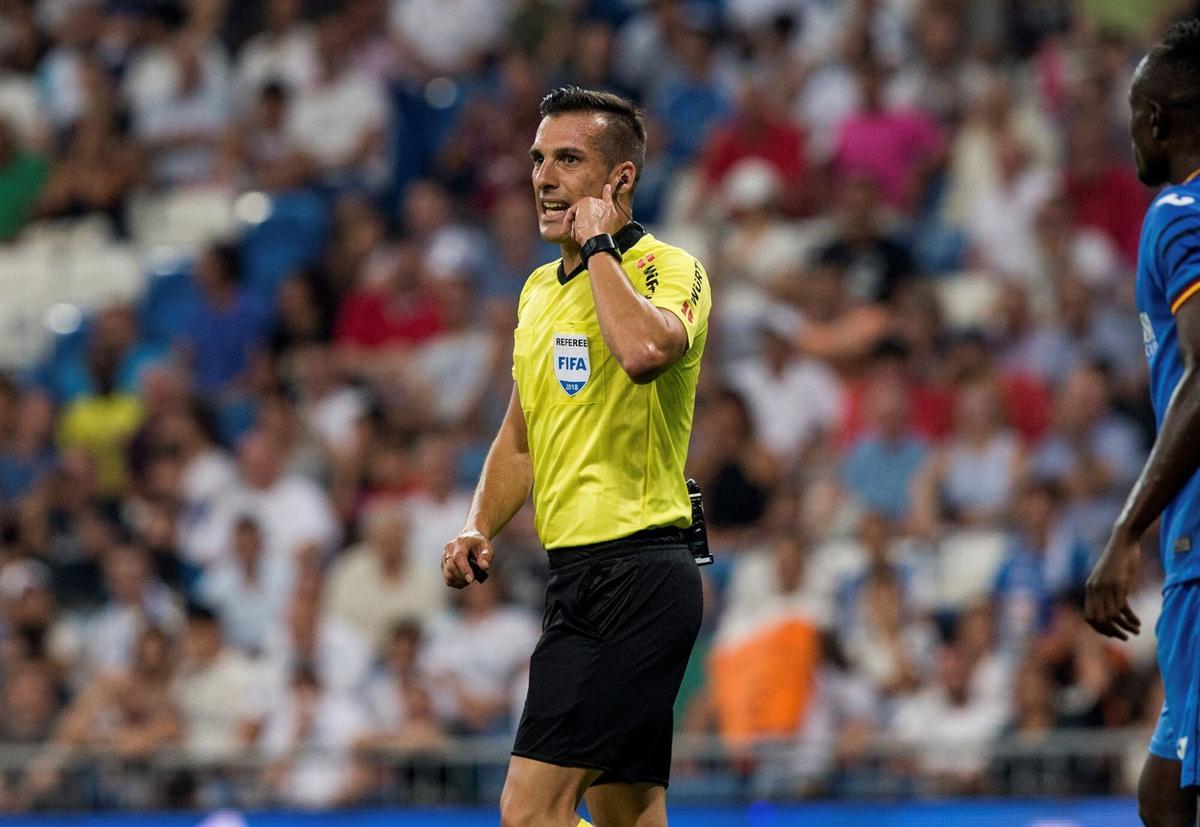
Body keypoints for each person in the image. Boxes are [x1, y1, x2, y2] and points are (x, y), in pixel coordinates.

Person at [441, 87, 711, 827]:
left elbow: (646, 351)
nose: (543, 177)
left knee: (530, 815)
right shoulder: (535, 292)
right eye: (537, 159)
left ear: (619, 179)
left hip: (638, 572)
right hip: (579, 577)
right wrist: (478, 525)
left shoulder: (670, 269)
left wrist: (599, 245)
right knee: (626, 815)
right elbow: (520, 437)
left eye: (568, 159)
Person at [1084, 19, 1200, 826]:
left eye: (1133, 114)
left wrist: (1127, 530)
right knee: (1164, 787)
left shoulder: (1180, 212)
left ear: (1157, 117)